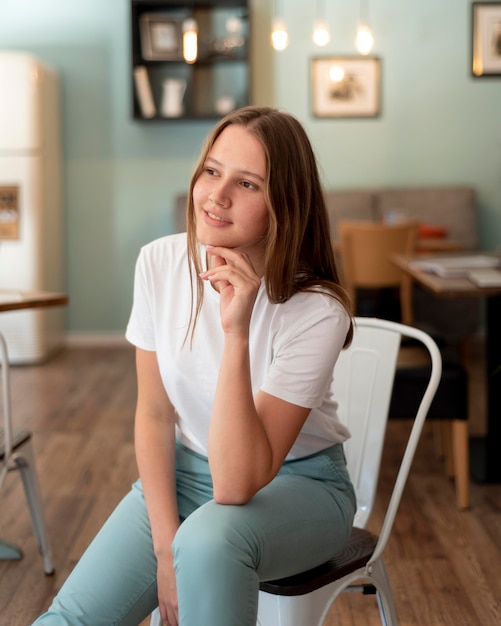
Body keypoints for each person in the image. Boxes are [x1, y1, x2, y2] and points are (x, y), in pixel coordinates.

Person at [32, 106, 357, 626]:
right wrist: (165, 550)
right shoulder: (159, 262)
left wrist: (236, 331)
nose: (217, 195)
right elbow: (156, 416)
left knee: (208, 541)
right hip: (184, 476)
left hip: (301, 488)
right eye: (211, 170)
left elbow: (235, 483)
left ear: (284, 205)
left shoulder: (317, 309)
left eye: (247, 183)